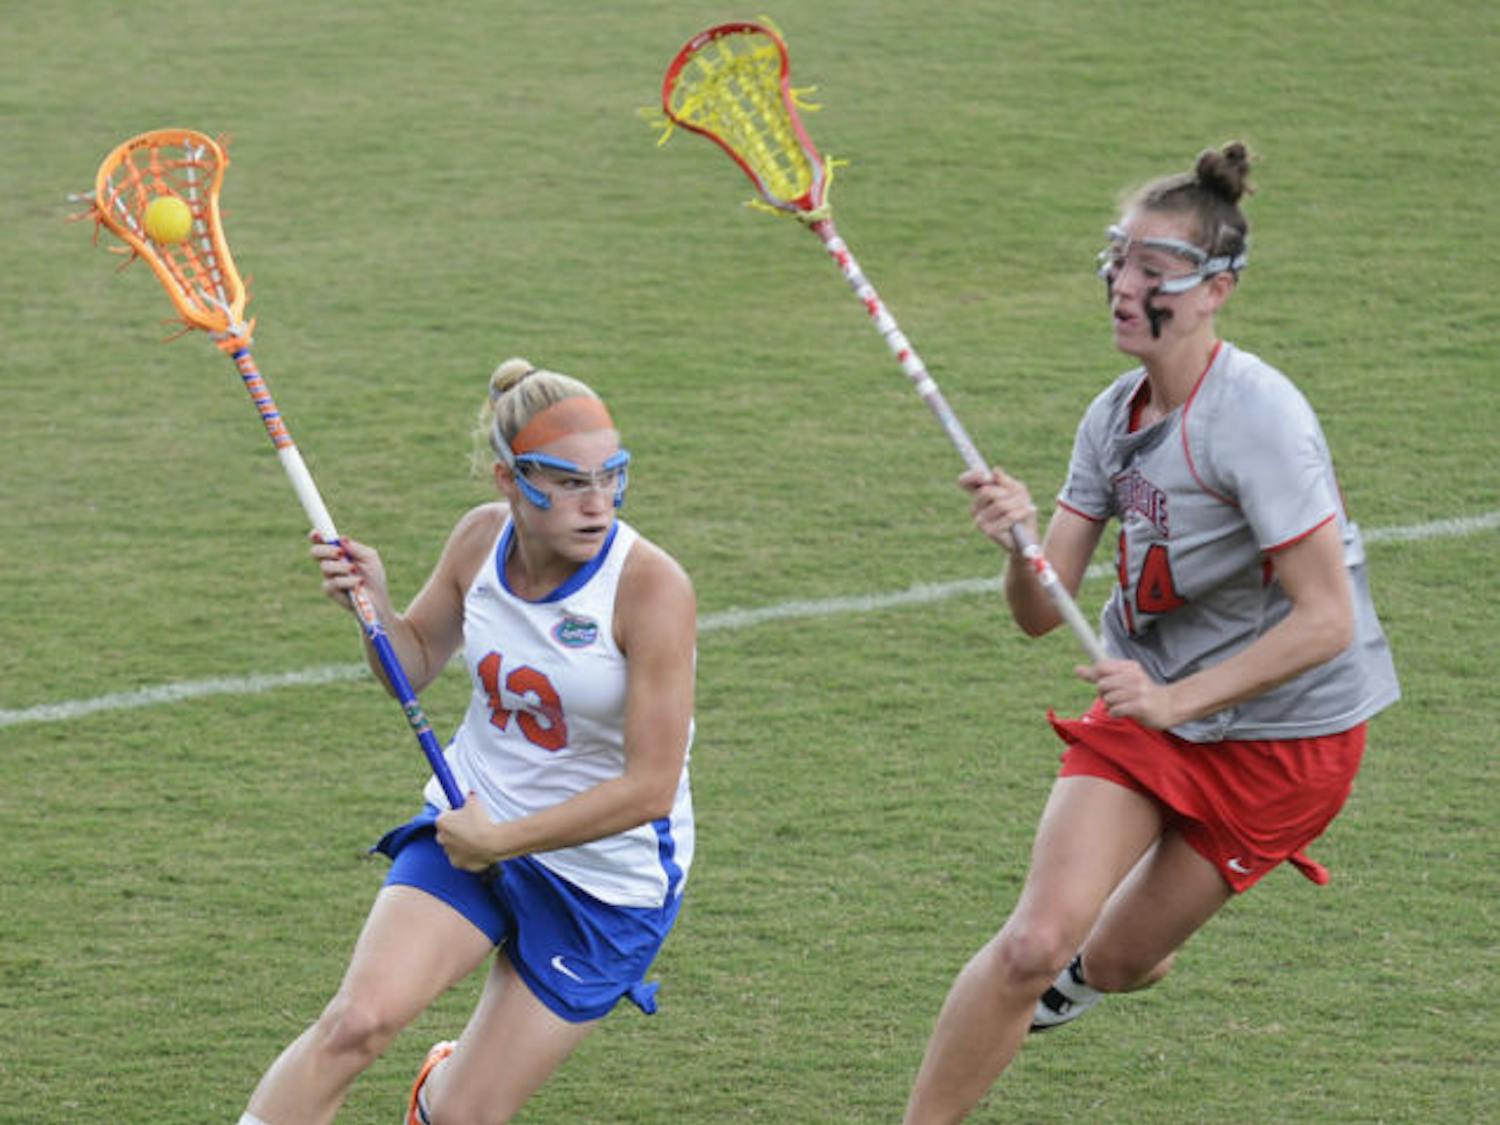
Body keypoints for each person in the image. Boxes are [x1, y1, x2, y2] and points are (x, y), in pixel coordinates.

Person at [902, 142, 1399, 1124]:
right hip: (1150, 704)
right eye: (1119, 263)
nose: (1125, 287)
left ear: (1217, 289)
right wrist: (1018, 542)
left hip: (1285, 741)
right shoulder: (1111, 417)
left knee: (1121, 961)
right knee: (1032, 945)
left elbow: (1328, 622)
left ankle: (1124, 952)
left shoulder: (1259, 421)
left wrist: (1176, 698)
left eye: (1154, 271)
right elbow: (1041, 613)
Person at [238, 358, 697, 1125]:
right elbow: (411, 666)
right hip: (469, 817)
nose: (598, 503)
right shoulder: (480, 541)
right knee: (355, 1023)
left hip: (603, 883)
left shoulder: (651, 588)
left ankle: (438, 1091)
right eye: (569, 481)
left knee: (460, 1118)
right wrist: (375, 606)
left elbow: (650, 788)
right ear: (509, 479)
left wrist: (505, 838)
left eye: (610, 477)